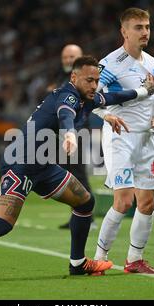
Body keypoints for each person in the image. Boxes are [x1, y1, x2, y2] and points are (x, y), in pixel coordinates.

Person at [0, 56, 154, 280]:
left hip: (43, 165)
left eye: (96, 80)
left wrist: (144, 91)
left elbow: (115, 96)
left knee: (85, 202)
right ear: (74, 77)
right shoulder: (67, 96)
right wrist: (69, 135)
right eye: (89, 80)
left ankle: (77, 263)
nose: (94, 85)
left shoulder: (88, 97)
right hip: (20, 164)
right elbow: (65, 115)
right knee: (2, 224)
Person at [91, 8, 154, 274]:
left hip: (146, 139)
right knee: (123, 202)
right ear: (124, 31)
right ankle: (99, 258)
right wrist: (107, 115)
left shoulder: (152, 62)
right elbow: (91, 97)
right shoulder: (109, 65)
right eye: (138, 27)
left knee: (147, 203)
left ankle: (134, 260)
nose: (145, 32)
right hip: (120, 138)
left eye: (147, 26)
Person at [52, 44, 97, 231]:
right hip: (64, 132)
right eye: (65, 57)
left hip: (77, 130)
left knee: (77, 173)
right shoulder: (63, 78)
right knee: (69, 174)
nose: (67, 60)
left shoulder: (85, 79)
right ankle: (76, 216)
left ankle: (89, 217)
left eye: (71, 57)